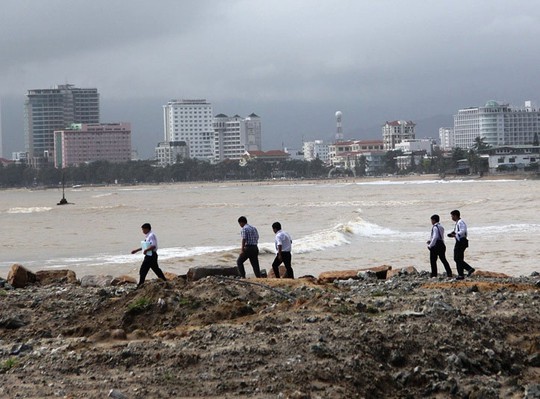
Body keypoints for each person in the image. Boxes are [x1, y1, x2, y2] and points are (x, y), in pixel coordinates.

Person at [131, 223, 167, 287]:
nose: (143, 231)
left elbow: (153, 246)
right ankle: (164, 280)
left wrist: (146, 250)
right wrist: (136, 250)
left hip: (151, 255)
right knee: (156, 269)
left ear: (147, 229)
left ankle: (141, 283)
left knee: (143, 270)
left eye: (143, 230)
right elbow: (145, 246)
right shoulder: (147, 236)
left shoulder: (151, 235)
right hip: (150, 255)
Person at [448, 210, 475, 280]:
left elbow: (463, 231)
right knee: (459, 258)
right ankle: (461, 274)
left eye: (452, 216)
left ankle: (469, 269)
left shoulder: (460, 222)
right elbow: (458, 232)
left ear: (456, 215)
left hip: (461, 242)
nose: (451, 218)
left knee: (457, 258)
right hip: (460, 241)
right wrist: (452, 234)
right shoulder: (458, 223)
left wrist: (456, 234)